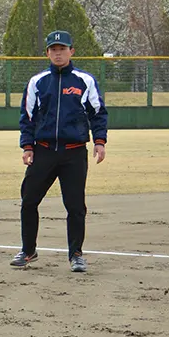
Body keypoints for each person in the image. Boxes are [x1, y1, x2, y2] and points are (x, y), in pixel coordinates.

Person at [11, 30, 108, 273]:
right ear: (47, 53)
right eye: (53, 49)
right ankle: (28, 250)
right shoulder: (38, 82)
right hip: (43, 151)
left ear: (71, 51)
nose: (58, 53)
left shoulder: (84, 81)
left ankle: (76, 254)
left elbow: (98, 113)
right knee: (29, 200)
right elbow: (28, 117)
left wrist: (99, 141)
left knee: (75, 206)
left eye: (62, 49)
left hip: (74, 153)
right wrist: (27, 146)